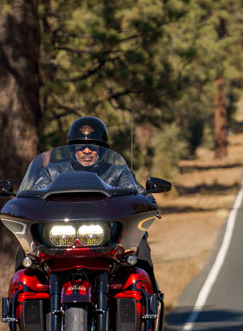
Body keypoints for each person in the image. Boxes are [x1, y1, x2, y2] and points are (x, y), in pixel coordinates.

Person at [27, 116, 159, 291]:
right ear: (73, 149)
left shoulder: (118, 173)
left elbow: (137, 191)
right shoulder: (53, 172)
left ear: (103, 150)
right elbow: (35, 194)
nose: (87, 150)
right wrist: (25, 201)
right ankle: (20, 299)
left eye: (93, 147)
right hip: (60, 238)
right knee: (26, 248)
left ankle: (149, 294)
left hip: (107, 238)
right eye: (80, 146)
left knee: (139, 241)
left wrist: (147, 199)